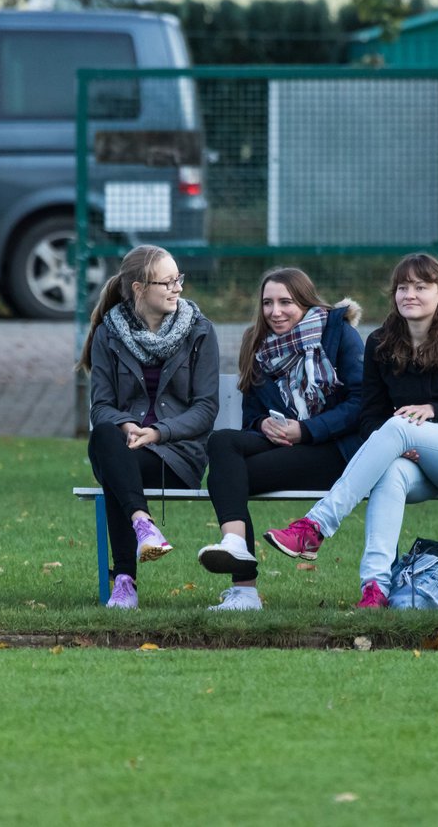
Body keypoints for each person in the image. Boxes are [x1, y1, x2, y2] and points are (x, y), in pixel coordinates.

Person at [264, 253, 438, 608]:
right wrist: (402, 442)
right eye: (402, 287)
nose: (409, 294)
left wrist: (434, 412)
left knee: (401, 425)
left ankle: (315, 526)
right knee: (391, 471)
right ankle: (375, 588)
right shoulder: (380, 344)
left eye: (421, 287)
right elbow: (370, 418)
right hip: (419, 464)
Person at [196, 268, 364, 611]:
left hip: (333, 450)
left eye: (286, 302)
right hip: (282, 443)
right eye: (268, 303)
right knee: (223, 442)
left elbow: (361, 403)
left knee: (228, 477)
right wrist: (264, 425)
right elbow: (251, 416)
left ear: (305, 301)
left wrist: (305, 430)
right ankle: (234, 542)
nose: (275, 312)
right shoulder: (257, 344)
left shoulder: (338, 334)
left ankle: (244, 592)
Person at [79, 245, 220, 609]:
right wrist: (128, 426)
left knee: (114, 469)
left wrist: (158, 433)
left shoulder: (200, 331)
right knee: (107, 440)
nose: (178, 289)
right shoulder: (109, 334)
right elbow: (102, 406)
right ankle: (143, 524)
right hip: (126, 448)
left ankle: (124, 579)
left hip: (176, 457)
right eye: (168, 282)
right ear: (139, 288)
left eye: (179, 279)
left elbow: (206, 409)